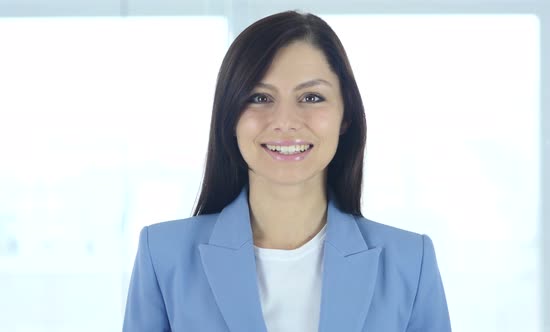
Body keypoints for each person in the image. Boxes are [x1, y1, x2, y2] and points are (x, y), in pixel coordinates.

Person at [123, 10, 451, 332]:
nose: (285, 122)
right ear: (230, 117)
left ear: (345, 117)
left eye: (311, 96)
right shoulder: (164, 255)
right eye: (260, 97)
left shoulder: (410, 261)